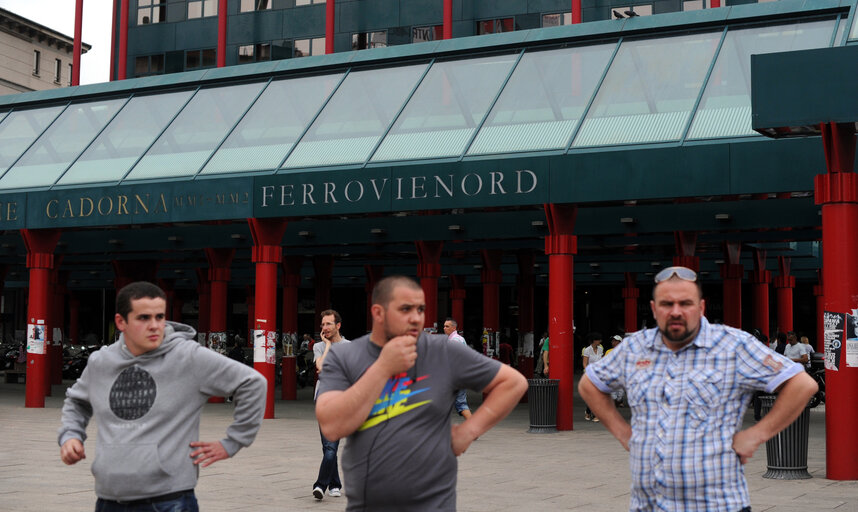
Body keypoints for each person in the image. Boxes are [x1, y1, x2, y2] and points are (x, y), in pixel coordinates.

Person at [579, 266, 817, 512]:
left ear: (701, 307)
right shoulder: (635, 348)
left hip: (717, 504)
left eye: (685, 303)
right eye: (666, 304)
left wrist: (756, 435)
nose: (676, 311)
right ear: (653, 308)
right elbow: (590, 383)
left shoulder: (734, 345)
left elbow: (801, 384)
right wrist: (622, 433)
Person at [315, 276, 528, 511]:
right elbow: (331, 425)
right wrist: (383, 368)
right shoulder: (345, 356)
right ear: (378, 313)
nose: (416, 317)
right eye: (405, 309)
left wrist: (469, 431)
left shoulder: (443, 350)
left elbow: (513, 382)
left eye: (421, 309)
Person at [57, 282, 266, 512]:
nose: (155, 326)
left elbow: (253, 382)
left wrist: (233, 441)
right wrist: (70, 436)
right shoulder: (101, 362)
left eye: (160, 317)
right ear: (121, 322)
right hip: (108, 498)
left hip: (169, 500)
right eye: (144, 318)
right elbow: (77, 401)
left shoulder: (188, 357)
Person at [312, 309, 351, 500]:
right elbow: (320, 366)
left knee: (330, 446)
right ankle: (334, 484)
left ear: (338, 325)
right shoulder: (319, 346)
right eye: (322, 324)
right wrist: (327, 345)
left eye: (328, 324)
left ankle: (320, 484)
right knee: (328, 446)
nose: (324, 328)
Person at [443, 318, 472, 420]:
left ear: (454, 327)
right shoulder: (459, 339)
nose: (444, 328)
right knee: (461, 403)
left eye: (447, 326)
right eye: (444, 326)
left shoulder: (454, 340)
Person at [581, 332, 604, 421]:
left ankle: (592, 413)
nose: (600, 341)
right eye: (598, 340)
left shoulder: (600, 349)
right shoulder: (587, 350)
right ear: (593, 341)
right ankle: (591, 412)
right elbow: (584, 363)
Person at [605, 334, 625, 407]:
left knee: (620, 393)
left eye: (615, 341)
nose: (613, 342)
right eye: (612, 341)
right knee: (613, 393)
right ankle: (613, 403)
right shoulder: (608, 351)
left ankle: (618, 401)